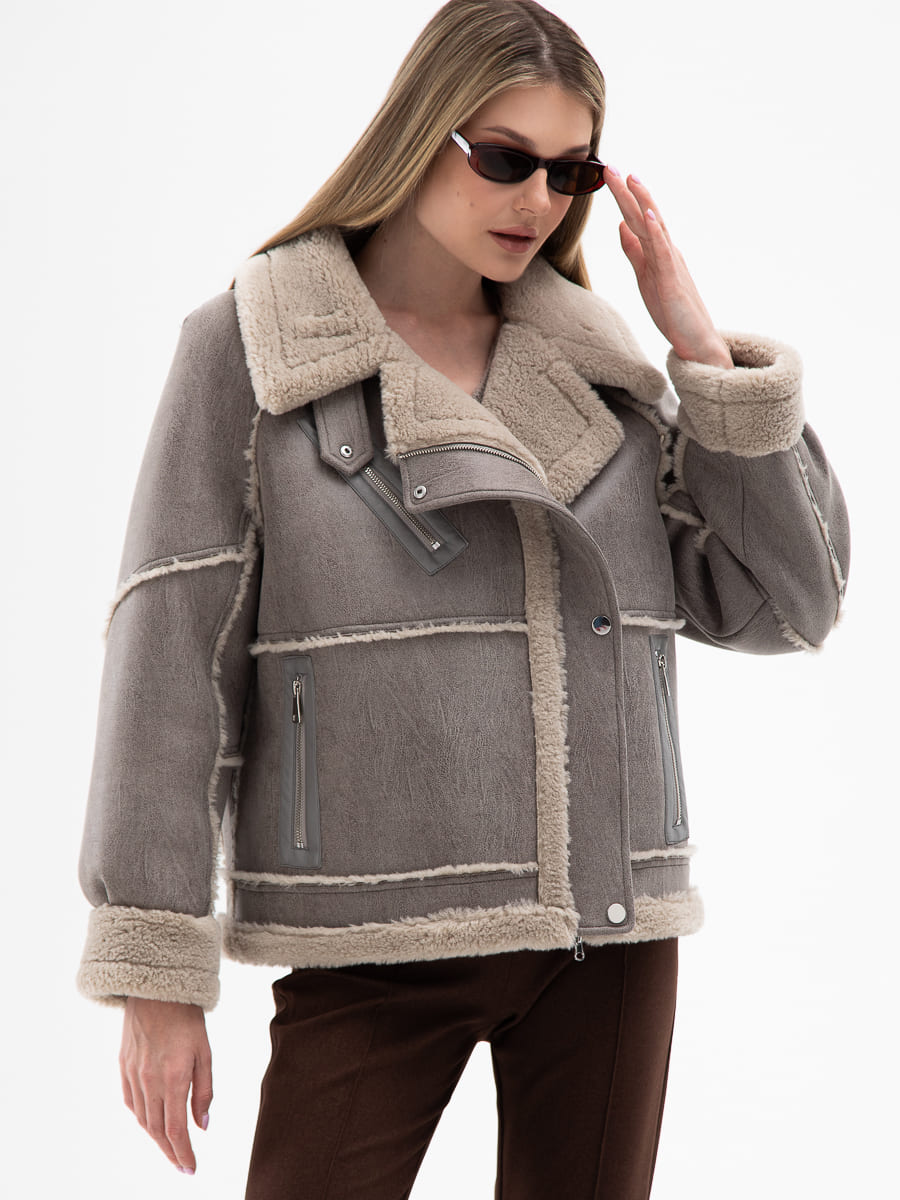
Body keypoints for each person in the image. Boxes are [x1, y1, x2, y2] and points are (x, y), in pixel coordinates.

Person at [75, 1, 850, 1197]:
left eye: (569, 171)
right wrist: (157, 972)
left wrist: (702, 358)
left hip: (606, 928)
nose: (537, 199)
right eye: (503, 158)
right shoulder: (257, 348)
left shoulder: (604, 373)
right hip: (367, 929)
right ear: (418, 132)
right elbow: (172, 656)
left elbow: (785, 605)